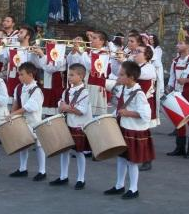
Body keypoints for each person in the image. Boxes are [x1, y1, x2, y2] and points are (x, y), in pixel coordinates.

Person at [104, 61, 154, 200]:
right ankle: (119, 185)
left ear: (131, 77)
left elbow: (146, 115)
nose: (118, 77)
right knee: (121, 158)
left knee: (132, 161)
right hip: (125, 128)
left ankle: (134, 189)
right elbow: (121, 105)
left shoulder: (139, 94)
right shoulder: (125, 89)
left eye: (121, 75)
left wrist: (128, 113)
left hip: (135, 131)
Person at [50, 63, 92, 189]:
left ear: (81, 76)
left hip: (79, 126)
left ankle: (81, 179)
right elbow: (61, 105)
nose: (69, 77)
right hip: (67, 124)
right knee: (64, 151)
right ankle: (63, 176)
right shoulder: (66, 91)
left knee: (79, 152)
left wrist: (66, 107)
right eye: (69, 74)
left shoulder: (85, 92)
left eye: (72, 75)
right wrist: (63, 107)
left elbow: (81, 111)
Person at [9, 62, 47, 181]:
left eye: (21, 74)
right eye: (19, 74)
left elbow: (29, 107)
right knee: (23, 144)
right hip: (22, 121)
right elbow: (16, 102)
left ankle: (42, 171)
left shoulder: (36, 90)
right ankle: (22, 169)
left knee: (39, 146)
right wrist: (11, 115)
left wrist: (14, 114)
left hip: (34, 122)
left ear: (30, 75)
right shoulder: (18, 87)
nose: (19, 77)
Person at [167, 37, 189, 158]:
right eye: (178, 42)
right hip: (178, 93)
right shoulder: (175, 61)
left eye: (180, 43)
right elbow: (172, 77)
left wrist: (186, 80)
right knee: (179, 121)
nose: (177, 45)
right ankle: (180, 148)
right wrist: (169, 87)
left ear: (188, 46)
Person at [134, 45, 157, 171]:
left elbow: (136, 75)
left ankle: (147, 160)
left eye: (139, 51)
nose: (135, 53)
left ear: (147, 55)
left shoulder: (149, 68)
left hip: (145, 104)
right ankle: (136, 156)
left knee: (143, 133)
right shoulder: (137, 67)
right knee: (134, 131)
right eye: (136, 51)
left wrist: (124, 63)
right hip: (136, 103)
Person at [0, 25, 35, 101]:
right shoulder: (12, 48)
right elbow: (2, 59)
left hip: (26, 85)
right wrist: (3, 46)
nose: (18, 34)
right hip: (11, 83)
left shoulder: (32, 51)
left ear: (27, 36)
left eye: (21, 33)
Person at [31, 43, 66, 116]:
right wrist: (34, 54)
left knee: (55, 115)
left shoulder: (61, 58)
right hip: (46, 88)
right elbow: (37, 64)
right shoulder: (46, 56)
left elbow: (50, 68)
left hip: (56, 89)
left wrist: (41, 54)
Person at [82, 31, 111, 116]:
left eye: (94, 38)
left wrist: (82, 53)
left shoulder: (104, 54)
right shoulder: (89, 52)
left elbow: (91, 67)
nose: (91, 39)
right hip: (86, 82)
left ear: (101, 41)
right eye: (91, 37)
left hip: (95, 85)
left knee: (95, 113)